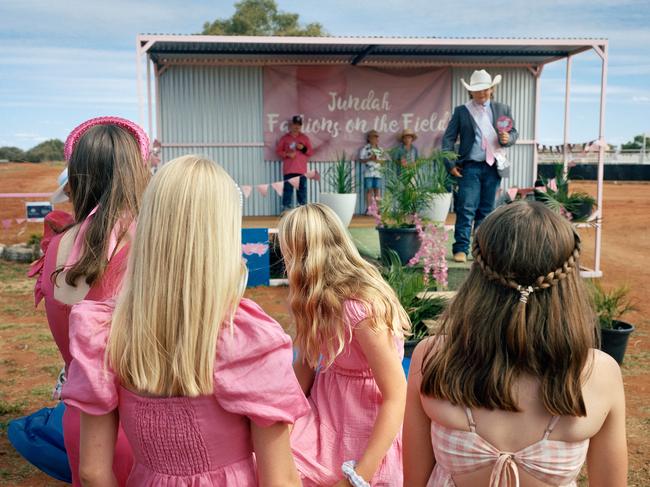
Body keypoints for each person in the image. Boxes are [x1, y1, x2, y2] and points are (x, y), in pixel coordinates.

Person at [62, 155, 309, 486]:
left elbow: (92, 473)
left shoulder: (105, 331)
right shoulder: (247, 340)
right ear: (222, 236)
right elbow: (279, 481)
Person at [403, 201, 627, 487]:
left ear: (478, 275)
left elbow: (414, 481)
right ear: (568, 280)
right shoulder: (600, 372)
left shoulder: (433, 357)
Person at [31, 116, 151, 486]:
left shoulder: (57, 246)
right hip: (143, 427)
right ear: (137, 172)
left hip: (81, 422)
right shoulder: (145, 245)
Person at [280, 203, 409, 486]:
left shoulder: (360, 308)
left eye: (288, 253)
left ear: (303, 256)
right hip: (327, 413)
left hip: (364, 420)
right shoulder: (313, 300)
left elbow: (397, 394)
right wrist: (281, 424)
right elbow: (304, 370)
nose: (285, 263)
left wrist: (358, 476)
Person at [442, 69, 518, 263]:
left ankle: (482, 249)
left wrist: (508, 138)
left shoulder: (503, 109)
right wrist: (450, 163)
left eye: (485, 90)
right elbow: (448, 139)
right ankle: (460, 248)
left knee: (487, 210)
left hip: (494, 166)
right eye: (478, 90)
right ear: (471, 92)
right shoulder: (462, 111)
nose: (482, 94)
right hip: (470, 167)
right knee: (466, 207)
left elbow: (514, 133)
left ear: (492, 89)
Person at [276, 115, 313, 211]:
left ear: (301, 126)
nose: (297, 127)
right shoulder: (285, 138)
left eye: (299, 125)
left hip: (301, 170)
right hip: (289, 170)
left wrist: (303, 148)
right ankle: (285, 211)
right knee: (288, 191)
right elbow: (278, 151)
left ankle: (302, 211)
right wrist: (287, 154)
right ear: (291, 125)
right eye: (295, 124)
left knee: (302, 191)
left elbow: (310, 152)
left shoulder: (305, 138)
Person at [359, 130, 388, 212]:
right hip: (368, 172)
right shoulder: (365, 149)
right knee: (369, 190)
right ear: (369, 138)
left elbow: (384, 160)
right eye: (372, 137)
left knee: (377, 190)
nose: (374, 139)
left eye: (375, 137)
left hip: (378, 172)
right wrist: (369, 159)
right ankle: (369, 209)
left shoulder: (380, 149)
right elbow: (361, 159)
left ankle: (378, 209)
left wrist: (377, 160)